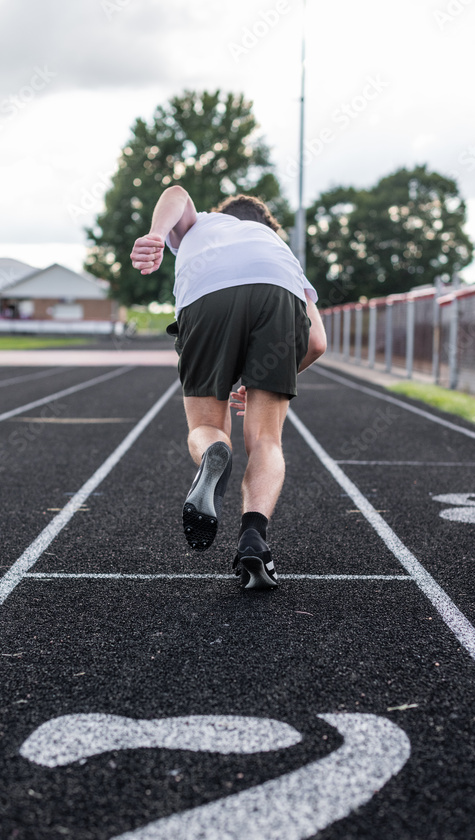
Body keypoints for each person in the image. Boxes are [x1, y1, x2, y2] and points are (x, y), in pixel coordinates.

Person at [130, 184, 327, 589]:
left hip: (207, 290)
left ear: (224, 214)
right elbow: (318, 343)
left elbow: (177, 192)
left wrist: (154, 235)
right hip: (278, 291)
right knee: (266, 439)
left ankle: (213, 451)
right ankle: (254, 536)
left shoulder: (202, 224)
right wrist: (271, 378)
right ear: (266, 226)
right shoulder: (277, 248)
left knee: (205, 426)